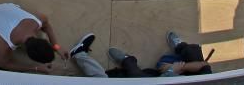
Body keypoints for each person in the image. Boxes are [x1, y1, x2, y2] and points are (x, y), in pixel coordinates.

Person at [71, 31, 213, 78]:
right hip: (179, 75)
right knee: (193, 52)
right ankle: (180, 46)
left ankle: (127, 60)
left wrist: (171, 71)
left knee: (134, 75)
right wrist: (182, 67)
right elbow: (203, 66)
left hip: (154, 79)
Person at [0, 3, 66, 73]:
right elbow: (3, 64)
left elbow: (46, 26)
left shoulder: (38, 19)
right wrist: (36, 68)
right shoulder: (4, 46)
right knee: (1, 52)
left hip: (3, 8)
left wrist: (56, 46)